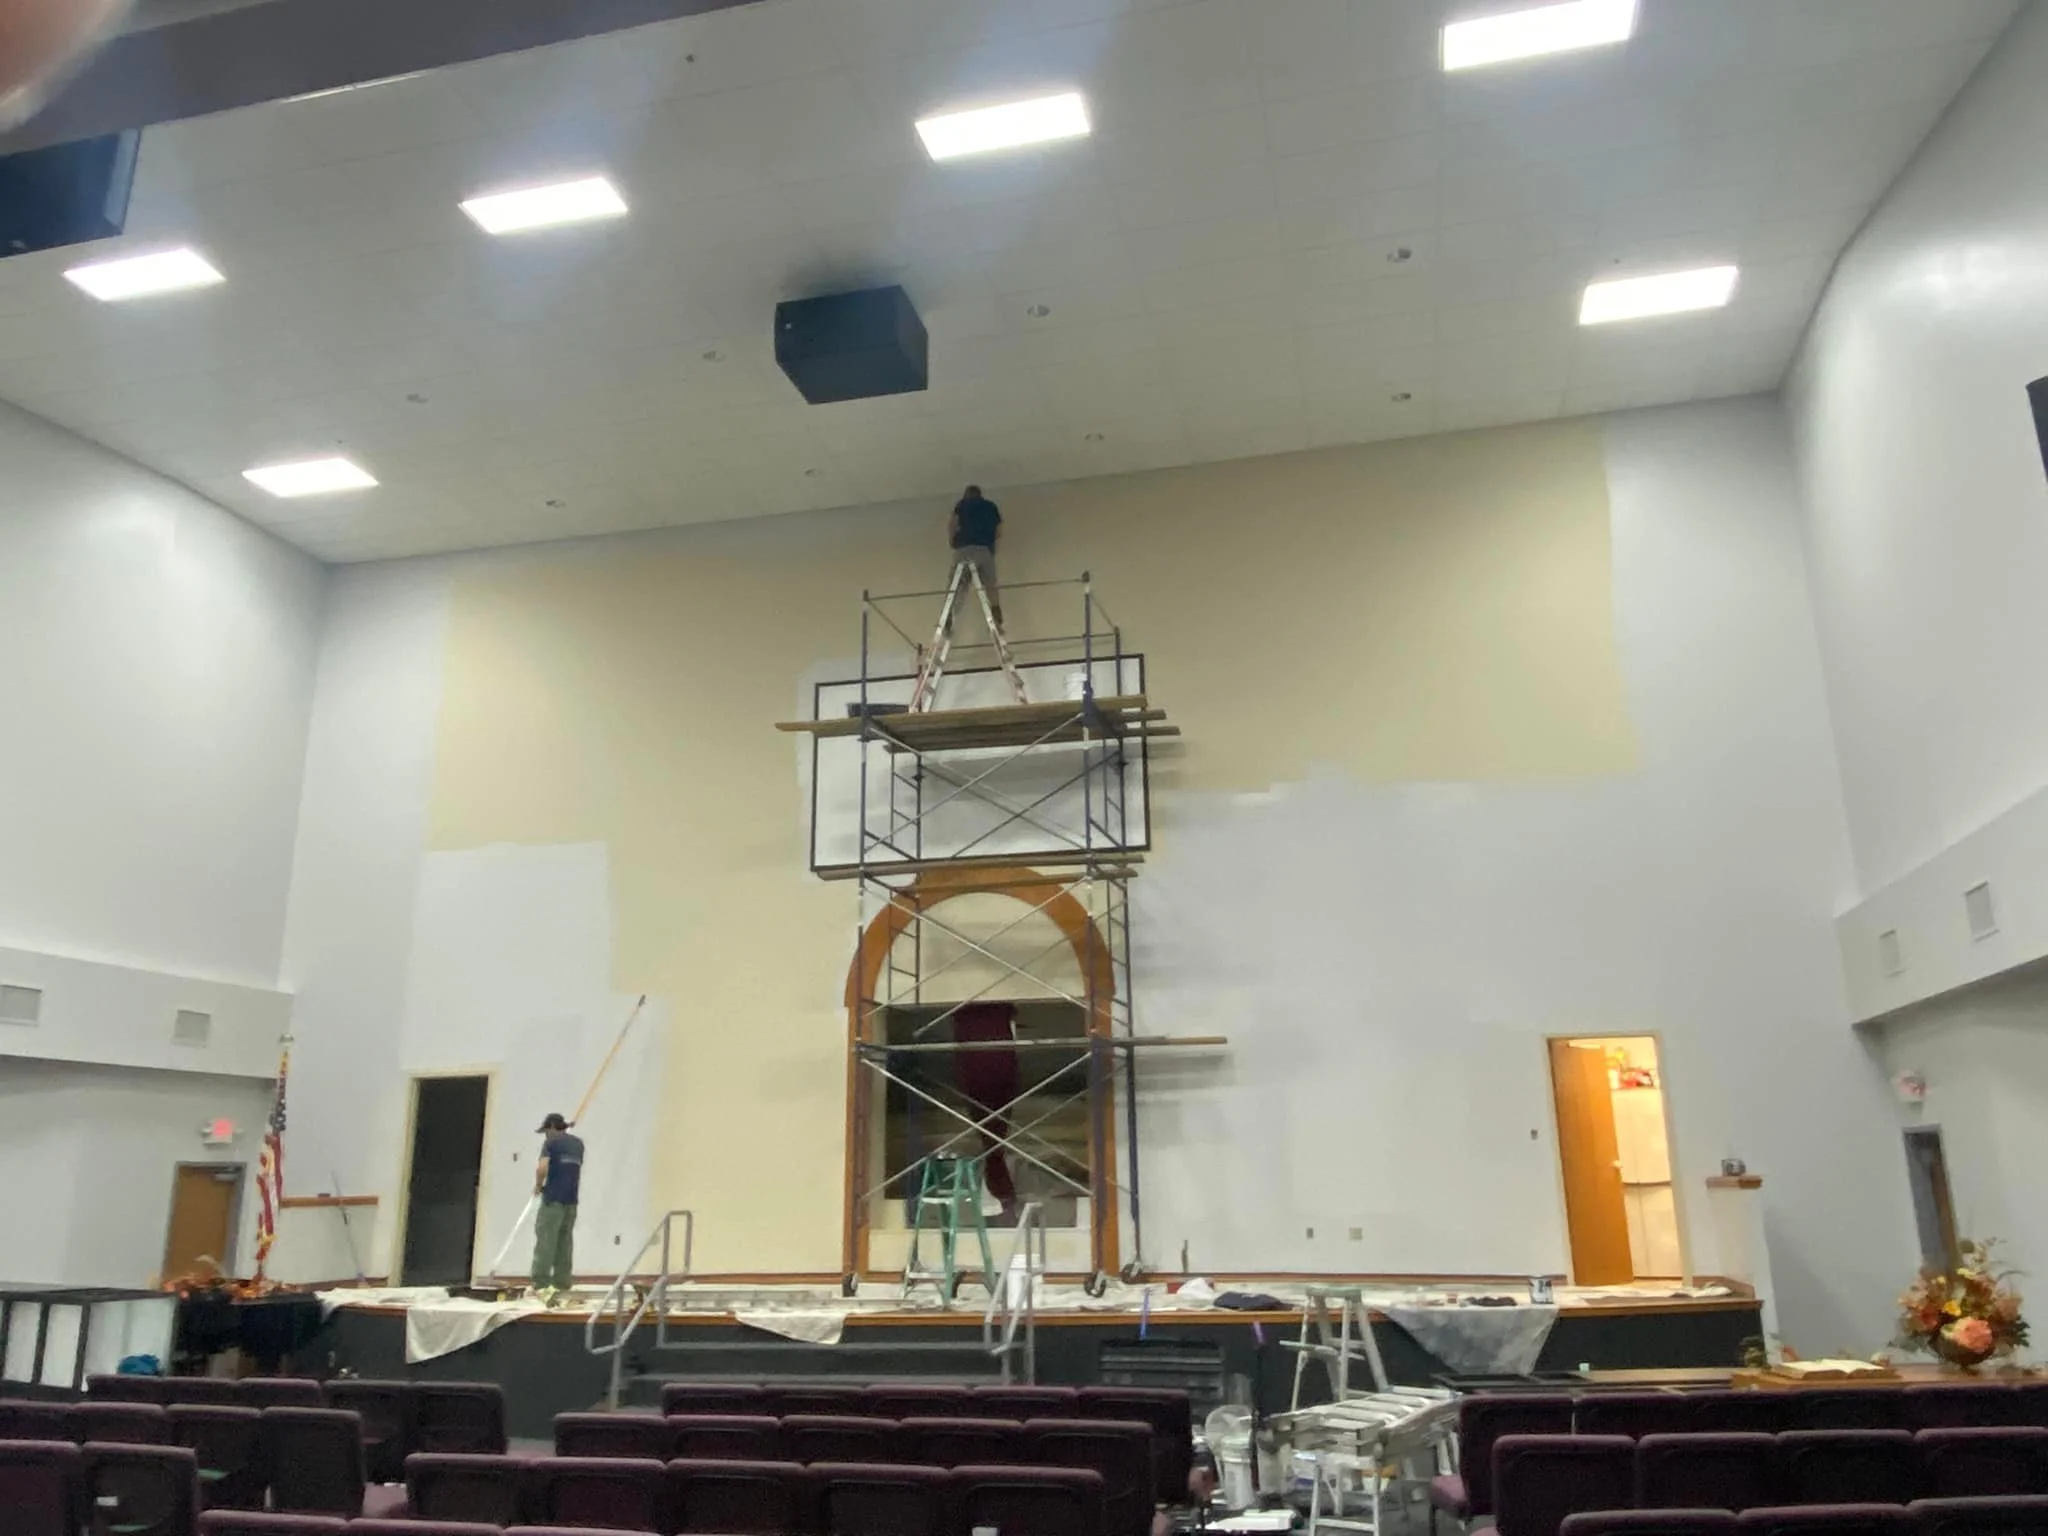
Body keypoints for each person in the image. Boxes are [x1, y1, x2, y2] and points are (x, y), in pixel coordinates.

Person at [530, 1112, 583, 1305]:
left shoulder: (551, 1143)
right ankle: (562, 1282)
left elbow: (542, 1168)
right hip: (571, 1199)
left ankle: (540, 1283)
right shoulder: (578, 1144)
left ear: (552, 1127)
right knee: (564, 1241)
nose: (545, 1134)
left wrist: (538, 1186)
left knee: (546, 1239)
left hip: (552, 1198)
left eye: (546, 1130)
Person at [949, 484, 1003, 626]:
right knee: (990, 584)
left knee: (958, 585)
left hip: (964, 551)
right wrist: (990, 546)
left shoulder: (962, 505)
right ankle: (996, 611)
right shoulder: (990, 506)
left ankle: (949, 616)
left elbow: (953, 524)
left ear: (966, 495)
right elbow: (998, 531)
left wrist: (952, 541)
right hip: (984, 551)